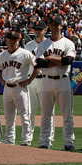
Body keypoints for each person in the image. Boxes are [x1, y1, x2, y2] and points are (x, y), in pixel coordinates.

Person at [35, 15, 76, 151]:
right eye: (51, 24)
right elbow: (40, 63)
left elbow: (67, 61)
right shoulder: (43, 44)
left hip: (63, 80)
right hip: (46, 81)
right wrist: (58, 60)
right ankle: (45, 141)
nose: (53, 26)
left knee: (67, 114)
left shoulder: (68, 43)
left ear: (61, 25)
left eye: (56, 24)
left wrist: (51, 58)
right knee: (46, 114)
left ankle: (69, 142)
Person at [0, 31, 37, 146]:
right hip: (7, 89)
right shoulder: (2, 55)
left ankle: (26, 141)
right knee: (9, 118)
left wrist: (29, 80)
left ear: (18, 40)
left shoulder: (25, 53)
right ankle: (9, 141)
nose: (12, 41)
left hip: (20, 88)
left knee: (25, 116)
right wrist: (2, 80)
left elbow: (37, 67)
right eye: (10, 38)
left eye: (15, 39)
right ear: (6, 40)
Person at [24, 20, 55, 145]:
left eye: (39, 29)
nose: (37, 31)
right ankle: (28, 138)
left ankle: (49, 138)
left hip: (45, 79)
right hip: (30, 81)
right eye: (35, 29)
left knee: (47, 111)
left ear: (45, 30)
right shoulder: (28, 46)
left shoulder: (50, 44)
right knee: (29, 111)